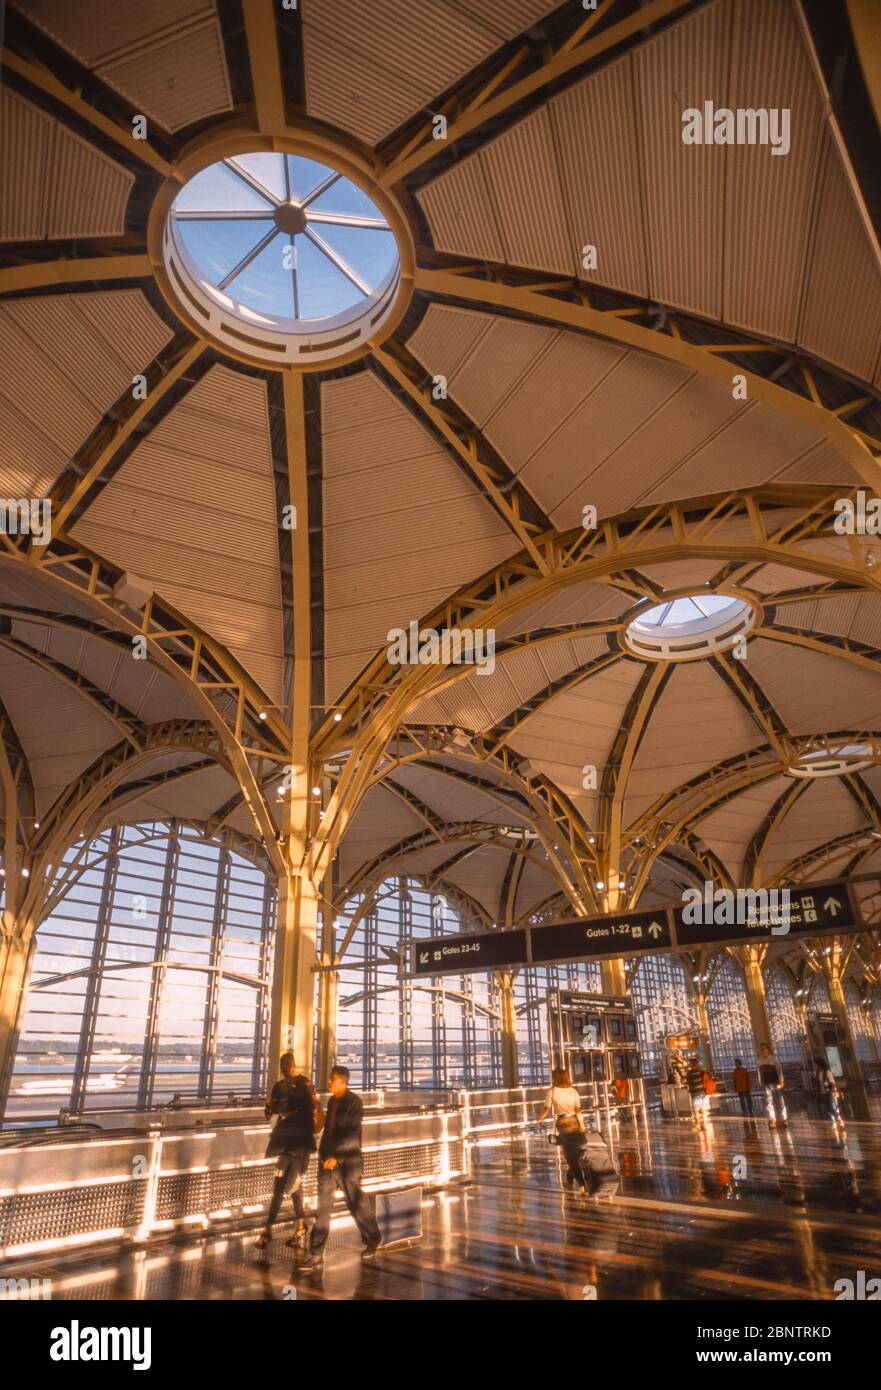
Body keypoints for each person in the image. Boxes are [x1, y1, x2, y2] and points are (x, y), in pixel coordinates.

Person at [301, 1066, 380, 1270]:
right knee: (323, 1210)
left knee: (356, 1206)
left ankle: (373, 1239)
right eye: (329, 1078)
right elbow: (329, 1130)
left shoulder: (354, 1102)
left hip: (347, 1164)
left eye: (332, 1079)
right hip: (327, 1163)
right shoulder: (332, 1101)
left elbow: (352, 1135)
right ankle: (316, 1253)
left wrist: (337, 1156)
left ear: (343, 1081)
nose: (329, 1082)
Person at [255, 1052, 321, 1250]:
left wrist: (279, 1110)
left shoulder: (288, 1086)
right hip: (294, 1143)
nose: (285, 1066)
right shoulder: (302, 1084)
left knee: (291, 1186)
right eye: (283, 1063)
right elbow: (316, 1106)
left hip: (293, 1143)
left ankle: (274, 1230)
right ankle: (287, 1227)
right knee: (286, 1187)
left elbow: (269, 1111)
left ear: (289, 1065)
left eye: (286, 1063)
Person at [539, 1067, 589, 1192]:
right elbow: (578, 1110)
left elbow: (547, 1108)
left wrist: (540, 1118)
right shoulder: (573, 1091)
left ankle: (581, 1185)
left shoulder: (552, 1091)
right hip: (575, 1122)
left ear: (555, 1078)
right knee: (578, 1152)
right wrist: (582, 1125)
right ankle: (571, 1177)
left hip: (563, 1124)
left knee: (571, 1156)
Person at [758, 1041, 789, 1129]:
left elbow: (779, 1070)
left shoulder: (774, 1059)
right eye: (761, 1049)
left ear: (767, 1049)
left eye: (764, 1048)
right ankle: (772, 1120)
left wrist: (781, 1081)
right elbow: (759, 1073)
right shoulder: (759, 1061)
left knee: (780, 1101)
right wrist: (761, 1082)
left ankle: (784, 1118)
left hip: (775, 1083)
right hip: (766, 1084)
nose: (762, 1050)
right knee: (769, 1102)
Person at [814, 1055, 845, 1133]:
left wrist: (836, 1092)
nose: (815, 1066)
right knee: (827, 1109)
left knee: (833, 1108)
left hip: (830, 1093)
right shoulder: (818, 1073)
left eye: (816, 1064)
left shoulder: (828, 1072)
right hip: (822, 1093)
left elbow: (832, 1083)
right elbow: (818, 1083)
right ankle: (833, 1123)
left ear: (819, 1064)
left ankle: (840, 1121)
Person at [686, 1055, 708, 1130]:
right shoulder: (701, 1072)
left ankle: (698, 1125)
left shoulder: (690, 1073)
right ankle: (704, 1125)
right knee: (703, 1110)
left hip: (695, 1094)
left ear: (691, 1064)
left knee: (696, 1110)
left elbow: (688, 1083)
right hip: (702, 1093)